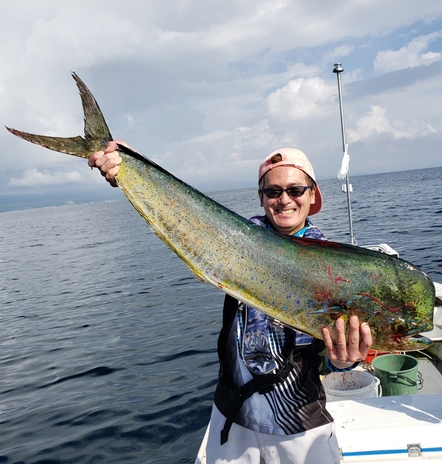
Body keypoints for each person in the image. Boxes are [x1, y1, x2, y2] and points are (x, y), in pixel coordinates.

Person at [88, 144, 372, 464]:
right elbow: (188, 214)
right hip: (231, 417)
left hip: (298, 424)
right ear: (261, 196)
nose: (284, 199)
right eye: (273, 191)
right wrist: (130, 164)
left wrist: (346, 362)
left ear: (312, 195)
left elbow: (335, 361)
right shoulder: (238, 242)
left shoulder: (337, 269)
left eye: (295, 189)